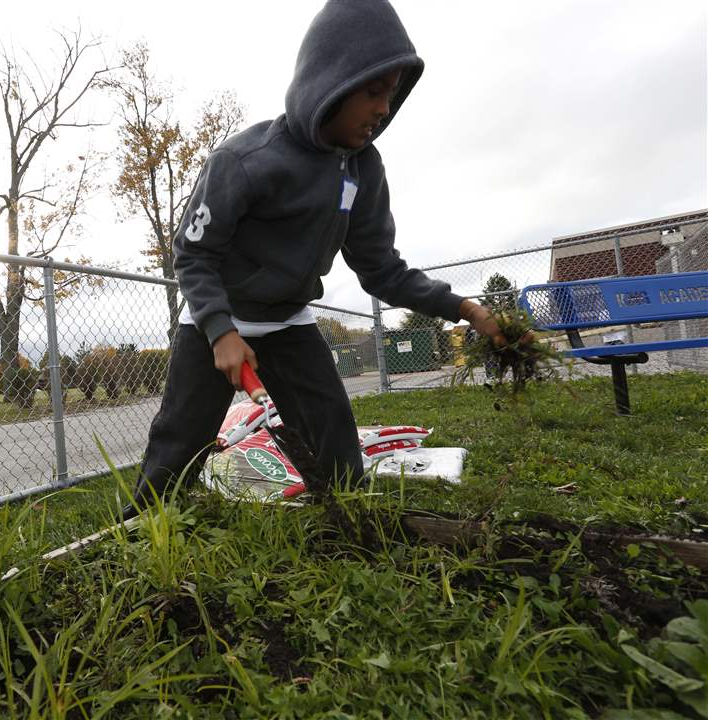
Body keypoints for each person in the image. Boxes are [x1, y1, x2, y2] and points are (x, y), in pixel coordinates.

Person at [124, 0, 510, 515]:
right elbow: (193, 254)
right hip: (215, 324)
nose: (382, 109)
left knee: (337, 450)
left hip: (288, 322)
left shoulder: (363, 170)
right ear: (331, 82)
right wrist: (221, 330)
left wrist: (466, 309)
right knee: (179, 445)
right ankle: (141, 531)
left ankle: (346, 532)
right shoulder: (243, 161)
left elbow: (381, 269)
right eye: (373, 92)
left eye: (391, 96)